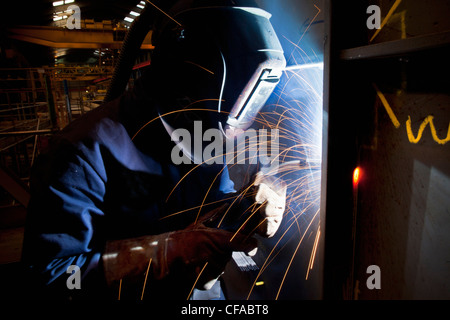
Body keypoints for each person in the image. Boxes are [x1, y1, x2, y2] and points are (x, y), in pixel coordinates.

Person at [21, 0, 287, 300]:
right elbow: (53, 277)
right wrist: (162, 254)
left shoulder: (201, 126)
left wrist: (240, 209)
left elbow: (206, 206)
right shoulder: (80, 152)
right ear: (187, 72)